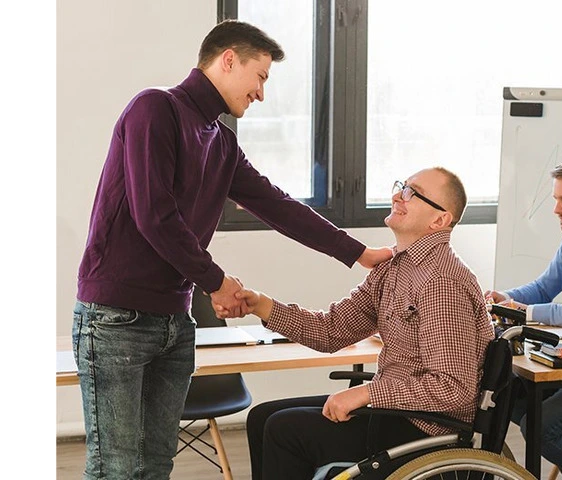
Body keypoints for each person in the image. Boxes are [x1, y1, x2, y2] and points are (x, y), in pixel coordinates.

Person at [72, 20, 392, 480]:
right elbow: (155, 216)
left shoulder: (221, 141)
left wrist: (358, 252)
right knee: (115, 469)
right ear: (228, 60)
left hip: (174, 320)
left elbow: (277, 205)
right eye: (260, 76)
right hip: (116, 318)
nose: (261, 93)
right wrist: (217, 282)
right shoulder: (154, 109)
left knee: (156, 465)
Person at [216, 167, 495, 479]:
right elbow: (331, 331)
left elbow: (453, 388)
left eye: (411, 193)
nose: (397, 196)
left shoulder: (441, 282)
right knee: (262, 417)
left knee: (284, 430)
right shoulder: (393, 267)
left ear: (439, 220)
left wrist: (367, 394)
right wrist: (260, 304)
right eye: (402, 187)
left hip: (427, 428)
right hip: (397, 412)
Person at [484, 154, 562, 480]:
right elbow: (544, 287)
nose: (556, 209)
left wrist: (526, 312)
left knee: (539, 426)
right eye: (556, 198)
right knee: (506, 396)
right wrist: (506, 298)